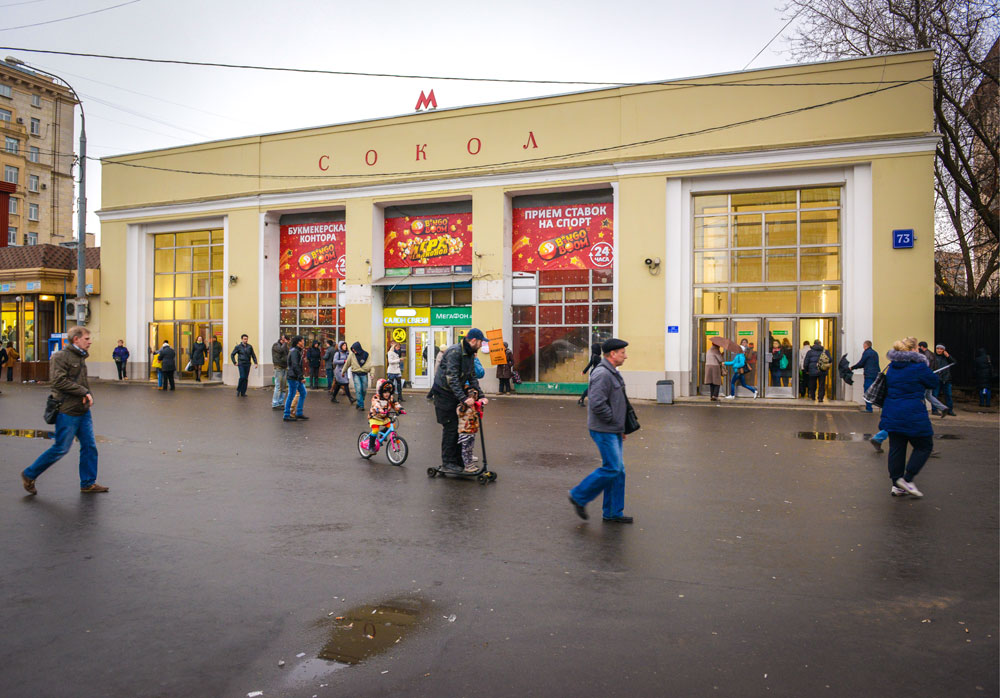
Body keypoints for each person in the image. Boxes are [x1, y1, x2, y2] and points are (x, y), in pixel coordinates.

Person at [20, 326, 108, 495]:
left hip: (82, 410)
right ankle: (29, 474)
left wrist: (86, 395)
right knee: (61, 447)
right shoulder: (61, 356)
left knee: (90, 446)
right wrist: (84, 392)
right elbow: (58, 382)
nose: (90, 342)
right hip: (66, 410)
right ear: (76, 339)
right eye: (87, 338)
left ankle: (88, 483)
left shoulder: (80, 356)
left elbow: (80, 382)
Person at [568, 337, 633, 523]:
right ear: (613, 354)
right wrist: (613, 423)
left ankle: (613, 513)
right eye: (623, 353)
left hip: (613, 429)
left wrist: (620, 427)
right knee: (613, 467)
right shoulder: (602, 374)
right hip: (604, 429)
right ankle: (578, 496)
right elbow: (597, 404)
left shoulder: (612, 372)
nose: (625, 356)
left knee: (618, 471)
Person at [879, 337, 938, 497]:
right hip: (912, 413)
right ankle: (907, 479)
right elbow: (933, 382)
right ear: (913, 350)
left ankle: (896, 485)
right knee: (924, 445)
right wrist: (926, 367)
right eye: (917, 348)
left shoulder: (892, 366)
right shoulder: (919, 367)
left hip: (892, 411)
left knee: (897, 448)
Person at [431, 328, 485, 473]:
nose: (481, 345)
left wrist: (481, 395)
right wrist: (464, 398)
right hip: (443, 393)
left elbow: (472, 376)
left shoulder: (469, 354)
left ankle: (458, 460)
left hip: (454, 394)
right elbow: (452, 378)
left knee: (460, 428)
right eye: (480, 342)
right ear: (473, 340)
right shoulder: (455, 352)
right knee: (450, 428)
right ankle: (448, 462)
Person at [365, 378, 404, 450]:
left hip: (384, 418)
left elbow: (395, 403)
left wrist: (400, 409)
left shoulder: (390, 398)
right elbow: (375, 404)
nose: (387, 394)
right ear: (380, 391)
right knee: (375, 430)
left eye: (389, 392)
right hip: (375, 417)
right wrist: (379, 409)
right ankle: (371, 446)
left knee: (392, 425)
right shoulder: (376, 397)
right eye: (385, 392)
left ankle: (383, 431)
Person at [457, 386, 487, 473]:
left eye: (476, 395)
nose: (475, 397)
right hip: (465, 431)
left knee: (470, 449)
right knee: (466, 449)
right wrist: (465, 404)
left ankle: (470, 463)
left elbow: (478, 414)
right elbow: (459, 412)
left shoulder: (475, 406)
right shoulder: (463, 405)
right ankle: (467, 465)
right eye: (472, 395)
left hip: (472, 431)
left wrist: (481, 405)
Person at [283, 335, 309, 422]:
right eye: (302, 341)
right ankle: (286, 415)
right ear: (298, 342)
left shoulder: (297, 351)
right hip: (293, 377)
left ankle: (299, 413)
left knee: (303, 393)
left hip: (295, 376)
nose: (303, 342)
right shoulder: (295, 352)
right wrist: (301, 377)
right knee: (291, 394)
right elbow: (295, 365)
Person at [851, 340, 881, 412]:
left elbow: (861, 363)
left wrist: (852, 367)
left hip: (869, 375)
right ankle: (875, 405)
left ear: (865, 346)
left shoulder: (866, 353)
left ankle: (869, 408)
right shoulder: (875, 353)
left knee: (867, 390)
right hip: (876, 374)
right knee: (874, 391)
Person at [347, 341, 373, 410]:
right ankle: (361, 405)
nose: (353, 351)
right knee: (358, 389)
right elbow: (347, 364)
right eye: (352, 350)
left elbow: (371, 365)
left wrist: (372, 373)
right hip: (355, 374)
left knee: (364, 390)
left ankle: (359, 401)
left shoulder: (366, 355)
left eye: (354, 349)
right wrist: (343, 372)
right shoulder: (351, 355)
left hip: (364, 374)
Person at [932, 345, 955, 416]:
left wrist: (948, 356)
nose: (939, 350)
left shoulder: (946, 357)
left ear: (944, 350)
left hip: (946, 379)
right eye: (937, 348)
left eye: (941, 349)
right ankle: (934, 410)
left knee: (948, 395)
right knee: (935, 395)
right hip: (937, 378)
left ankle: (950, 410)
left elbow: (954, 362)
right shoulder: (933, 357)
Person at [271, 334, 289, 410]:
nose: (287, 342)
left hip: (284, 367)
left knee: (283, 387)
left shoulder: (285, 346)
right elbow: (280, 350)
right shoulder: (276, 345)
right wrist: (285, 343)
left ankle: (281, 402)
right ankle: (275, 403)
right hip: (278, 367)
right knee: (278, 386)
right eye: (285, 340)